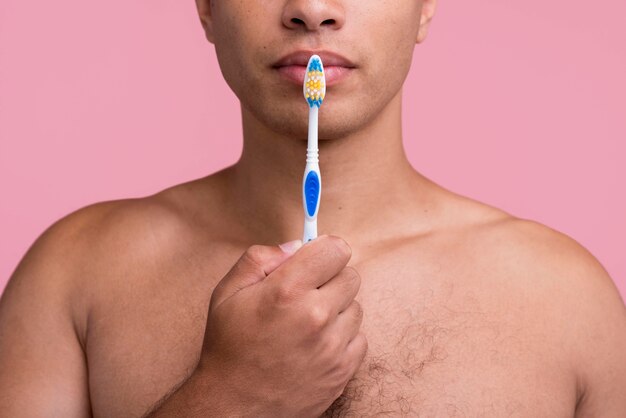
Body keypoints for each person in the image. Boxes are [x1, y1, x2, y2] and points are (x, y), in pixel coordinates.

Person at [1, 0, 625, 416]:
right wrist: (228, 396)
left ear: (425, 6)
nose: (313, 8)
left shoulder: (567, 300)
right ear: (207, 7)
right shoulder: (76, 274)